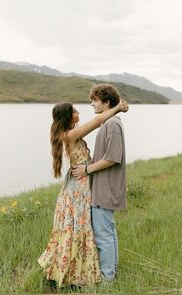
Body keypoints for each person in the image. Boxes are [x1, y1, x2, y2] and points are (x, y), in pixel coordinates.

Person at [37, 98, 128, 288]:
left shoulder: (70, 134)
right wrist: (118, 107)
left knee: (81, 230)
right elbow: (97, 122)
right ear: (68, 117)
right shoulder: (69, 134)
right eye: (75, 111)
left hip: (81, 186)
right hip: (79, 189)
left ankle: (82, 272)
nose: (79, 114)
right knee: (79, 229)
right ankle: (76, 275)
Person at [72, 84, 128, 282]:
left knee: (103, 235)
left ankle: (107, 279)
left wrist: (86, 169)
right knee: (108, 233)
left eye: (95, 100)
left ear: (106, 102)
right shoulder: (110, 122)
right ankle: (111, 273)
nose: (92, 103)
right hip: (105, 187)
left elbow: (113, 157)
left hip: (106, 188)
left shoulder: (112, 124)